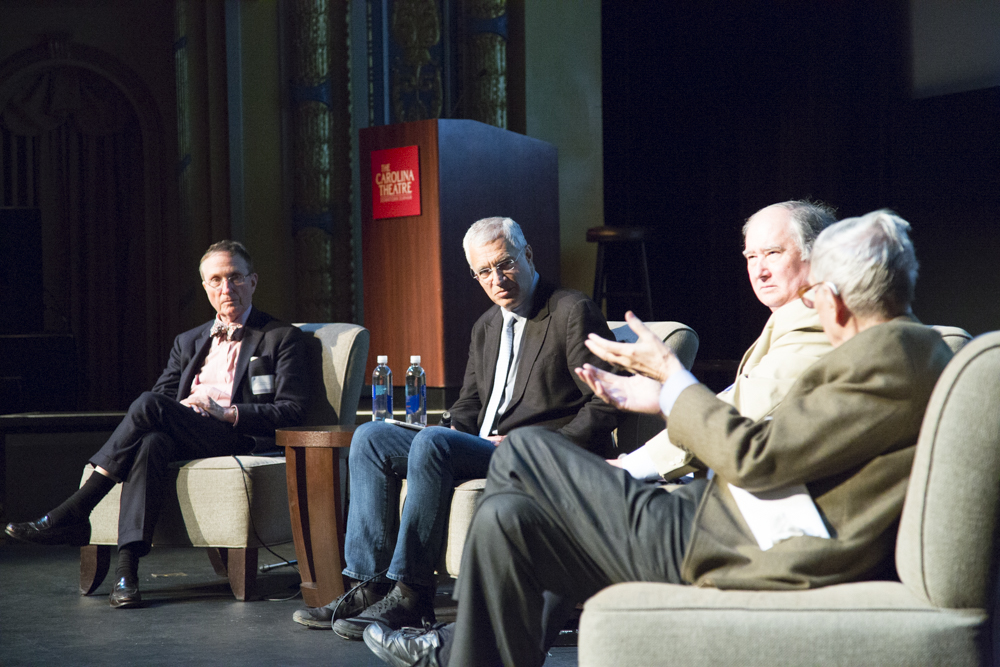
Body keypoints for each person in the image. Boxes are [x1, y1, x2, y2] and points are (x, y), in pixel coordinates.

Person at [363, 210, 953, 667]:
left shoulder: (887, 360)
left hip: (727, 538)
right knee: (508, 518)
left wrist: (672, 385)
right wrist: (655, 407)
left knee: (522, 451)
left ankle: (449, 641)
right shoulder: (896, 355)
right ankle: (463, 651)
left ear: (837, 298)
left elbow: (756, 456)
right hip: (717, 516)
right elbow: (764, 434)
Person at [292, 216, 622, 640]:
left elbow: (607, 401)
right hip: (482, 445)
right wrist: (451, 429)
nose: (497, 279)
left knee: (433, 442)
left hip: (535, 451)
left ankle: (412, 593)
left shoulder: (570, 310)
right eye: (484, 271)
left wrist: (544, 444)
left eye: (504, 264)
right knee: (371, 437)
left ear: (528, 255)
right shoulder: (486, 325)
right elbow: (467, 405)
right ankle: (369, 585)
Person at [5, 240, 310, 609]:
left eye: (235, 278)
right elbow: (162, 400)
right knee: (151, 442)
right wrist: (186, 410)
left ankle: (74, 510)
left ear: (253, 281)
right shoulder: (188, 341)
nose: (226, 288)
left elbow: (293, 410)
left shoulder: (282, 337)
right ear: (205, 288)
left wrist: (223, 411)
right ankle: (127, 573)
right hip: (185, 430)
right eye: (216, 280)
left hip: (237, 436)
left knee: (148, 407)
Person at [618, 200, 835, 480]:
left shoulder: (817, 321)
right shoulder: (792, 318)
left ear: (818, 257)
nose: (759, 271)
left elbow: (742, 410)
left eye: (772, 253)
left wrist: (628, 468)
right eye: (751, 257)